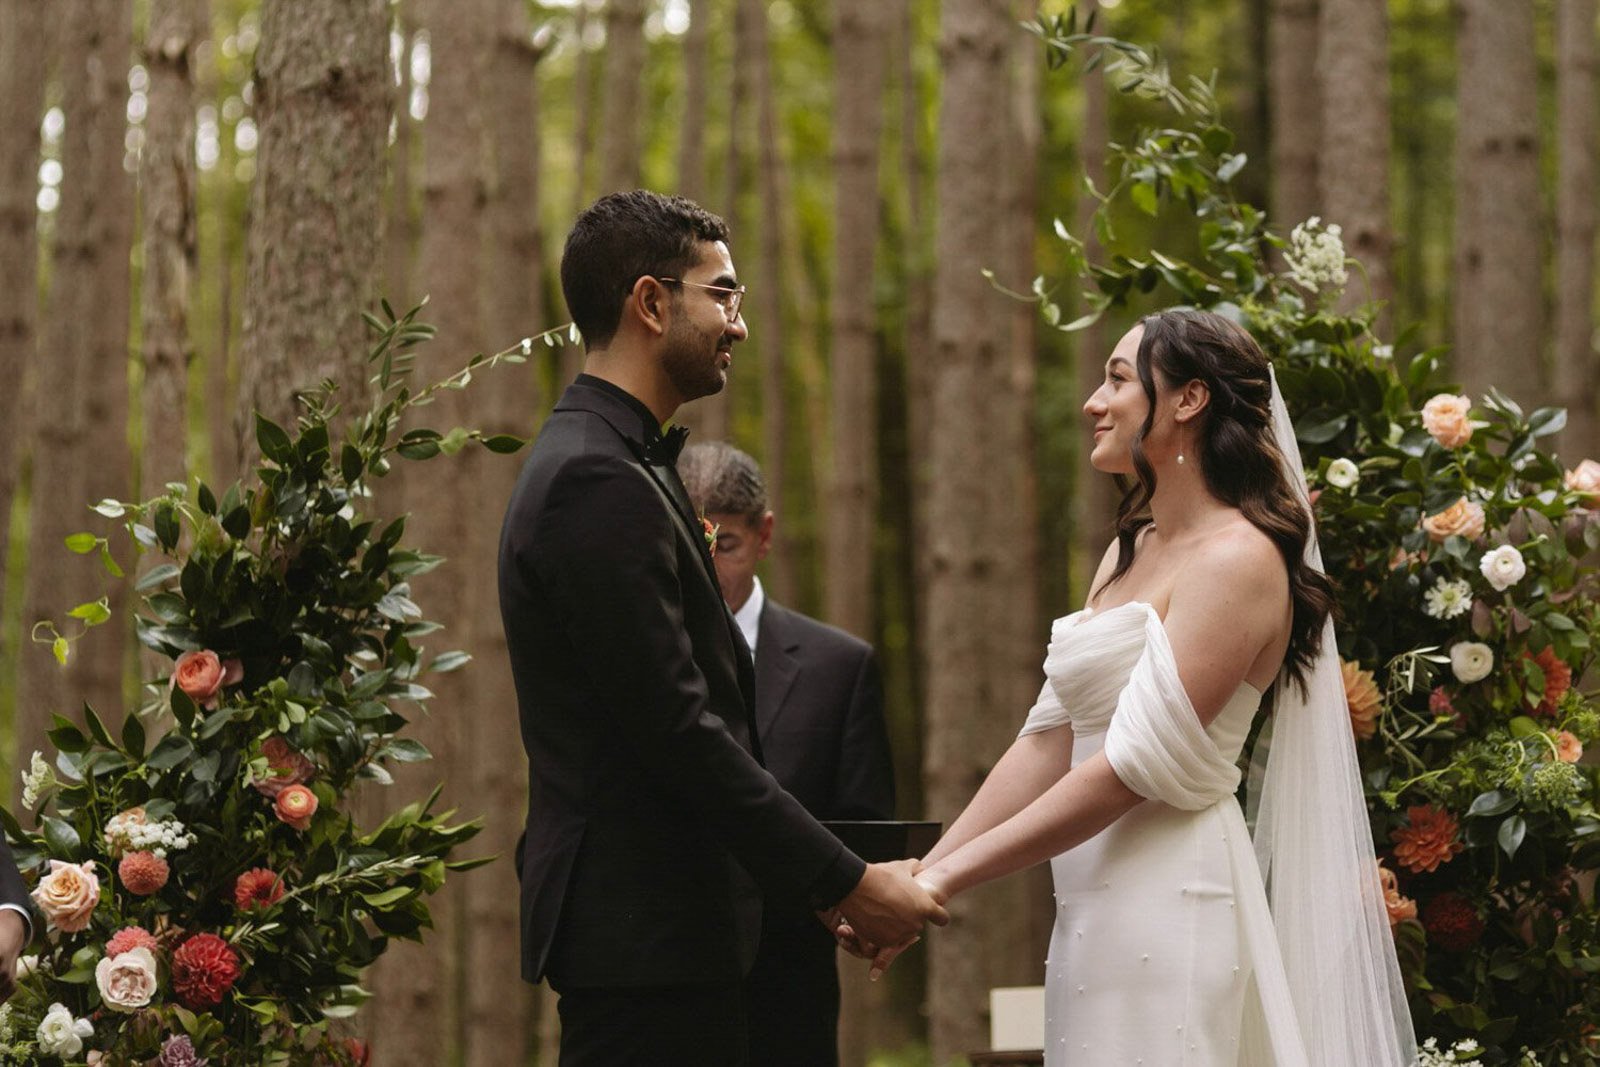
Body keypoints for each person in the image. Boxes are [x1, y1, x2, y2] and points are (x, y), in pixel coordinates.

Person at [862, 309, 1414, 1066]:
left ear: (1188, 400)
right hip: (1087, 915)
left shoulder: (1239, 559)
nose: (1094, 400)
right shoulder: (1131, 547)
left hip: (1173, 905)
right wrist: (920, 881)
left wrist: (950, 878)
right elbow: (1047, 739)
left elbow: (1129, 770)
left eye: (1119, 378)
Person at [497, 190, 945, 1067]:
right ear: (652, 302)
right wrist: (846, 880)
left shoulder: (626, 460)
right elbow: (677, 729)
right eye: (724, 295)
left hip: (679, 940)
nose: (738, 324)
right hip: (643, 947)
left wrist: (818, 893)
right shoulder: (595, 477)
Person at [679, 441, 896, 1067]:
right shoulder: (636, 659)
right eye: (689, 547)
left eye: (724, 548)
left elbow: (865, 836)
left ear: (764, 535)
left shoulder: (839, 667)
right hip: (656, 982)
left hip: (789, 994)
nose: (704, 568)